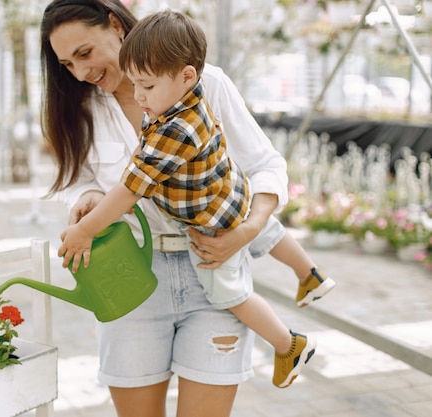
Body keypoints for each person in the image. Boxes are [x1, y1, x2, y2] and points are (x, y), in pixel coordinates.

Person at [40, 1, 329, 415]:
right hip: (132, 279)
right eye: (67, 64)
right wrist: (85, 197)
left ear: (115, 25)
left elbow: (265, 165)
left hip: (212, 268)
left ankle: (298, 313)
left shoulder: (204, 84)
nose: (81, 72)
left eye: (85, 53)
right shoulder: (81, 109)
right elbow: (79, 181)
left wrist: (249, 230)